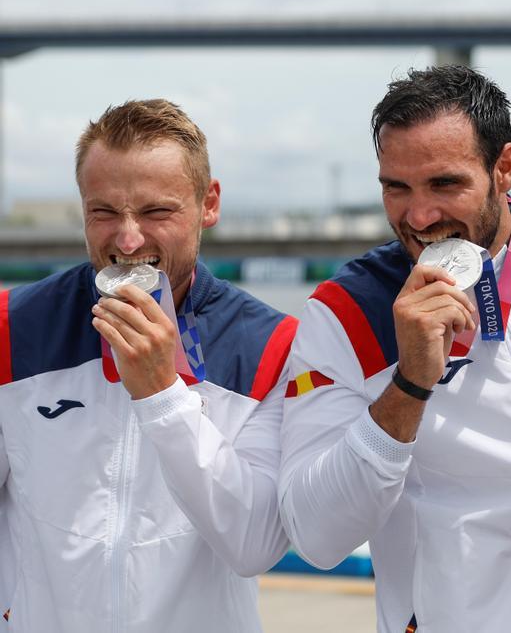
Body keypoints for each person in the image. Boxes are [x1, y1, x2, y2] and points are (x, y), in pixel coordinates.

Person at [278, 65, 511, 632]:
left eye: (444, 184)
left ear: (504, 168)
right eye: (396, 188)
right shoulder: (345, 313)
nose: (420, 217)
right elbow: (316, 536)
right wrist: (408, 385)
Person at [0, 99, 295, 632]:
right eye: (104, 212)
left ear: (209, 204)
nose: (129, 240)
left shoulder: (271, 345)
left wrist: (162, 394)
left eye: (157, 213)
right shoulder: (13, 326)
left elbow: (254, 544)